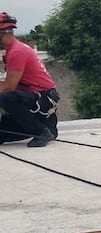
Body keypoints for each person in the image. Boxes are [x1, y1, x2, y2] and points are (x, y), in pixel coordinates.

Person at [0, 12, 59, 148]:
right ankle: (46, 128)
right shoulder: (14, 50)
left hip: (42, 99)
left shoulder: (17, 52)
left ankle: (41, 132)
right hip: (38, 101)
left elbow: (9, 88)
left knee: (6, 98)